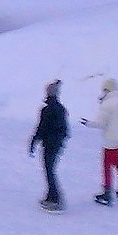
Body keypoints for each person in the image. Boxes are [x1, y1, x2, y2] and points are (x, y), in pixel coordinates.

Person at [81, 78, 118, 205]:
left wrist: (88, 123)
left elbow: (101, 123)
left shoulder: (107, 103)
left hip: (112, 141)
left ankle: (107, 193)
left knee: (107, 165)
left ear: (106, 89)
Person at [29, 80, 70, 212]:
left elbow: (41, 128)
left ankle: (56, 198)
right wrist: (61, 142)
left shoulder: (47, 110)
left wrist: (34, 142)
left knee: (49, 171)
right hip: (56, 145)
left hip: (49, 145)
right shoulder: (61, 108)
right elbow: (65, 130)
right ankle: (50, 196)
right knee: (50, 170)